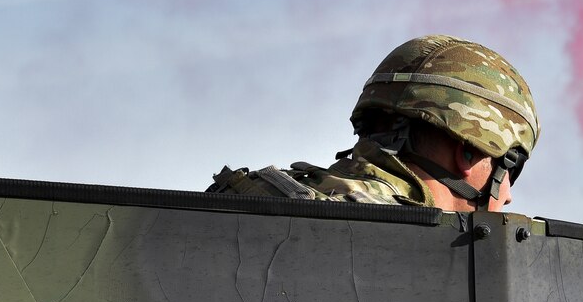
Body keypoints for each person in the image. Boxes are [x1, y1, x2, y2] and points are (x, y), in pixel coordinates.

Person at [214, 36, 539, 212]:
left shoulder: (269, 199)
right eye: (512, 166)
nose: (507, 194)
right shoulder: (400, 247)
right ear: (467, 153)